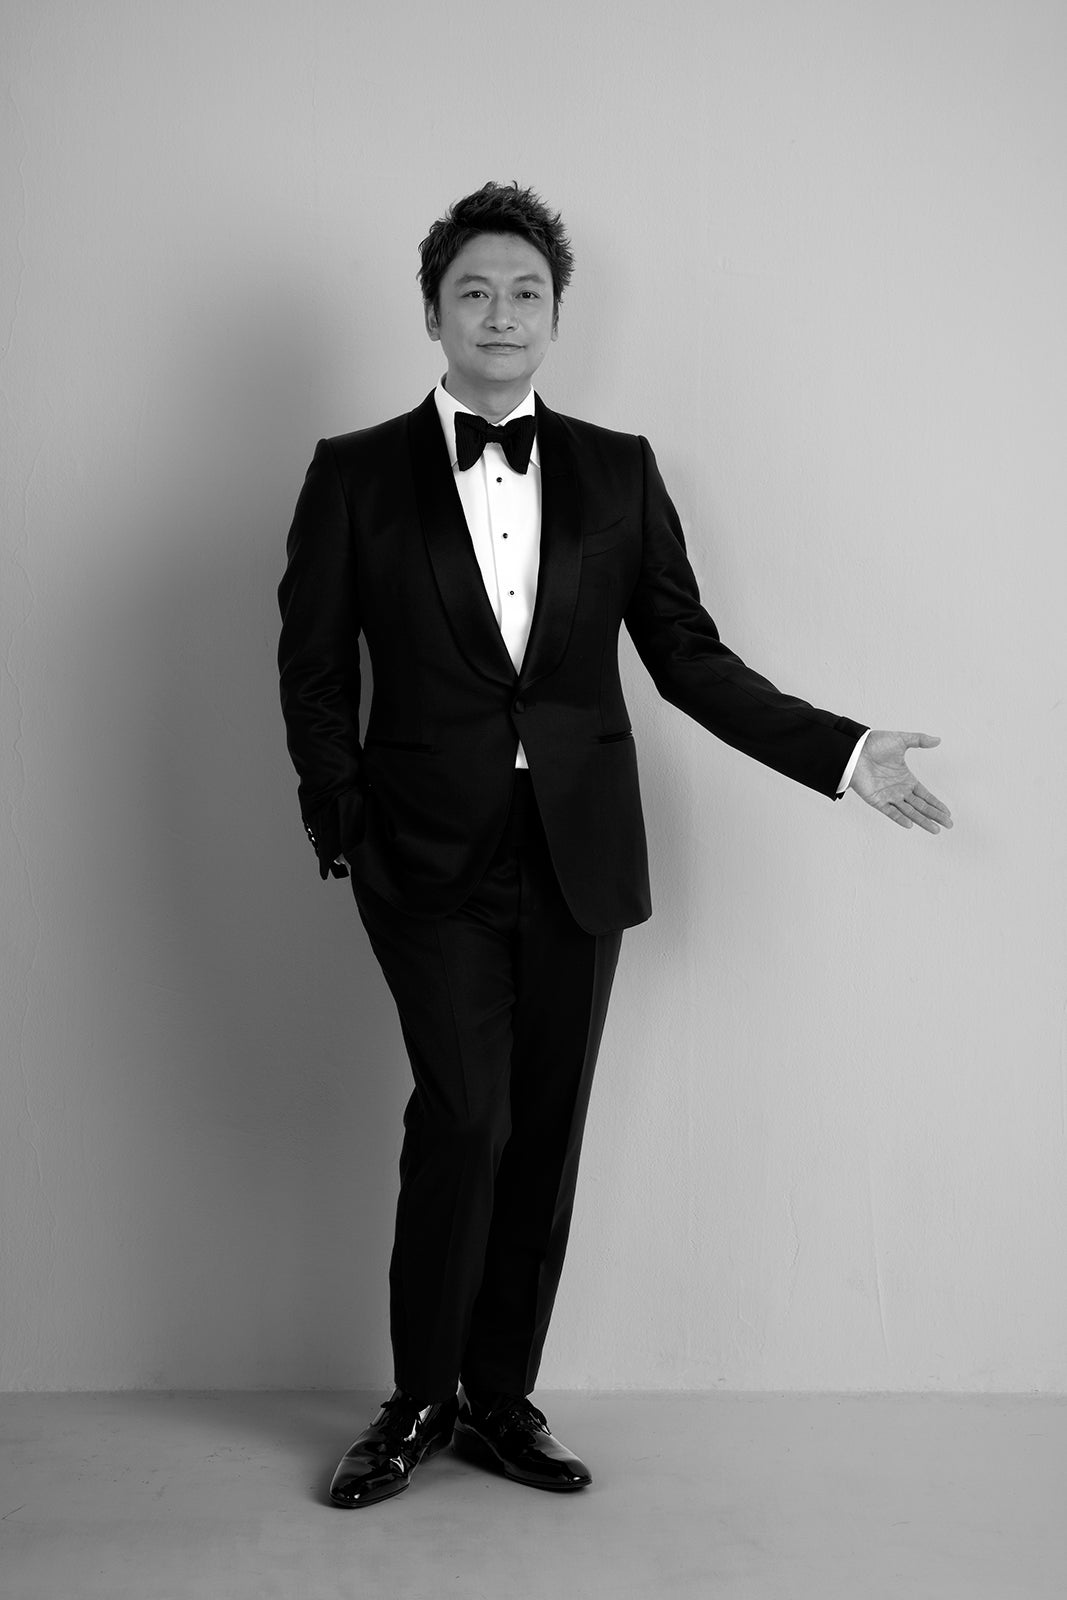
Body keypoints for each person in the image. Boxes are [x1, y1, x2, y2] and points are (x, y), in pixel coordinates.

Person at [277, 181, 952, 1508]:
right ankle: (415, 1404)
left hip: (578, 853)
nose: (502, 312)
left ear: (557, 315)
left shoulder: (618, 471)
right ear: (433, 312)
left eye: (526, 292)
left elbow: (689, 658)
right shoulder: (354, 474)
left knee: (544, 1131)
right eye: (475, 291)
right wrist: (342, 820)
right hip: (425, 858)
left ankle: (498, 1399)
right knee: (465, 1117)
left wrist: (840, 750)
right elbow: (312, 672)